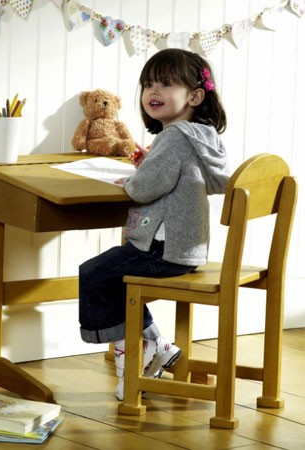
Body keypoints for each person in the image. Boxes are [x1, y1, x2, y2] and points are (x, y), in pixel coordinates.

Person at [78, 48, 229, 401]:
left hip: (164, 248)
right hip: (186, 247)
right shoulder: (199, 136)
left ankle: (134, 356)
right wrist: (152, 162)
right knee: (110, 272)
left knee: (95, 274)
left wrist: (133, 180)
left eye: (164, 84)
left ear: (194, 96)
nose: (152, 92)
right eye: (148, 84)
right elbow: (184, 176)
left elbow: (147, 187)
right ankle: (156, 343)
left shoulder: (175, 137)